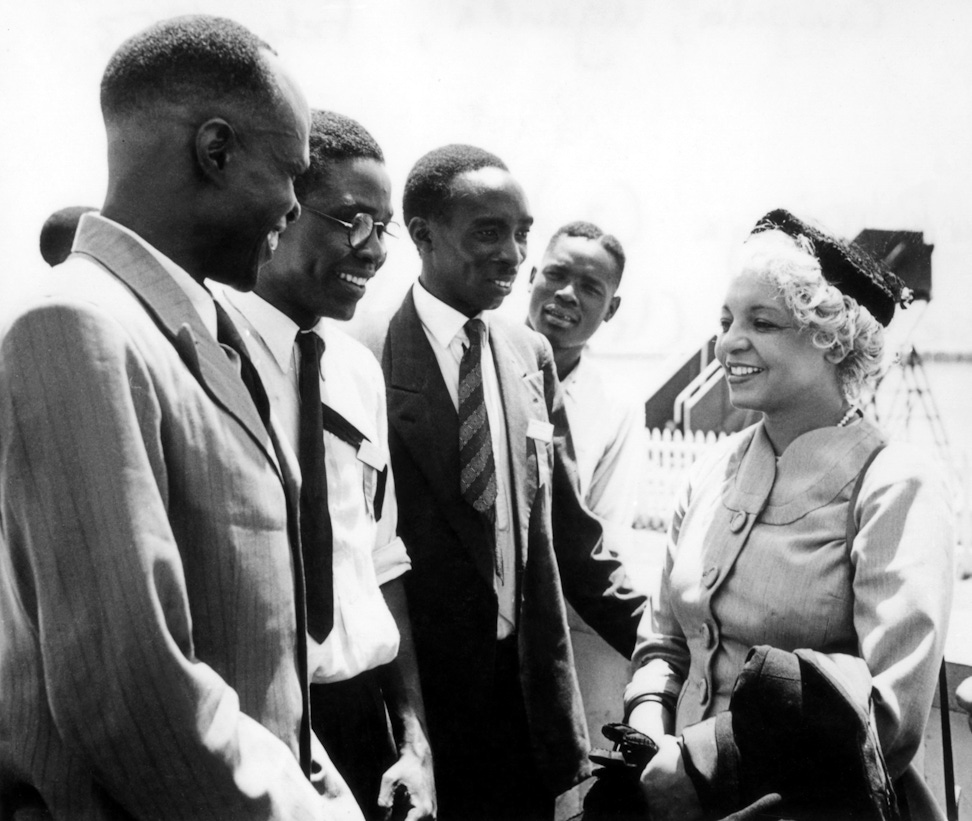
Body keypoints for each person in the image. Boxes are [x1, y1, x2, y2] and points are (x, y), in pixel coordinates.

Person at [0, 16, 363, 820]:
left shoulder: (201, 325)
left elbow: (258, 662)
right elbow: (130, 695)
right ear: (217, 150)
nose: (295, 207)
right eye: (293, 175)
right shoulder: (76, 324)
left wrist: (319, 782)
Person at [621, 209, 954, 820]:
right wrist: (649, 742)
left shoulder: (894, 484)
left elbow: (890, 718)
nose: (728, 342)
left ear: (834, 339)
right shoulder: (708, 472)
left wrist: (696, 765)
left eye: (762, 322)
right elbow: (664, 642)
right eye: (725, 321)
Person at [382, 144, 646, 821]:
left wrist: (675, 645)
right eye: (488, 232)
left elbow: (571, 539)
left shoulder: (528, 357)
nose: (513, 253)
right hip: (417, 713)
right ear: (423, 234)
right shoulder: (368, 351)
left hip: (526, 714)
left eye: (522, 232)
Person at [218, 109, 435, 821]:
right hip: (253, 724)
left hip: (361, 716)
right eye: (349, 220)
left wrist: (414, 740)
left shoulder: (354, 370)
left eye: (384, 227)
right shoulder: (204, 354)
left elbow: (378, 561)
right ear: (281, 210)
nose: (372, 251)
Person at [526, 221, 645, 748]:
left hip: (562, 634)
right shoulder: (475, 358)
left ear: (611, 308)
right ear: (532, 275)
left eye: (591, 287)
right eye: (555, 274)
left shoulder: (616, 406)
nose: (567, 294)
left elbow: (599, 534)